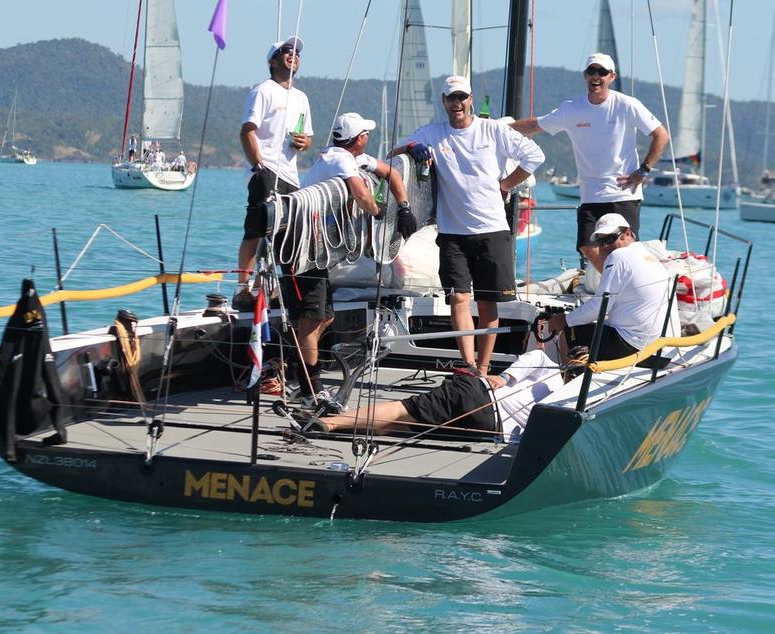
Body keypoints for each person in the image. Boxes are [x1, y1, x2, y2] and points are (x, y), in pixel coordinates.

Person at [392, 75, 545, 376]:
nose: (457, 103)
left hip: (492, 231)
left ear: (471, 99)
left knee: (488, 304)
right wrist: (412, 146)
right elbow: (392, 151)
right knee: (458, 298)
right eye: (451, 98)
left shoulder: (493, 130)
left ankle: (484, 369)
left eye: (462, 97)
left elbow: (534, 155)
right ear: (444, 101)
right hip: (452, 234)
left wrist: (506, 185)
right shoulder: (434, 133)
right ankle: (468, 365)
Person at [292, 112, 418, 408]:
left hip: (318, 250)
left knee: (325, 317)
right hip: (302, 249)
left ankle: (301, 373)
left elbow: (393, 174)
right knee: (312, 322)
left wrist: (403, 208)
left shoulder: (351, 157)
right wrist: (378, 212)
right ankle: (311, 390)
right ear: (358, 138)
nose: (368, 138)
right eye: (366, 134)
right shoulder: (339, 160)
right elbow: (362, 195)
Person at [511, 53, 669, 272]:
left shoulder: (627, 105)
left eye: (602, 72)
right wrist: (496, 129)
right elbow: (535, 126)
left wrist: (643, 170)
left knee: (624, 248)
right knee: (587, 246)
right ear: (585, 75)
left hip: (624, 192)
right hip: (590, 193)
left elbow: (661, 135)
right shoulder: (572, 109)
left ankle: (625, 289)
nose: (596, 76)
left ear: (611, 77)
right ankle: (611, 284)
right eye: (592, 71)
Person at [303, 348, 570, 441]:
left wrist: (503, 378)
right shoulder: (567, 404)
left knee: (402, 409)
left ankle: (330, 423)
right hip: (487, 429)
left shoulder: (555, 374)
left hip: (479, 397)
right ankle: (337, 427)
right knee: (404, 424)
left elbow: (537, 356)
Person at [233, 35, 313, 312]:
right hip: (266, 171)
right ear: (273, 60)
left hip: (291, 176)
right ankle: (242, 289)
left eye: (297, 52)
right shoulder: (263, 91)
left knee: (283, 236)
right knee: (256, 230)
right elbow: (247, 131)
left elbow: (307, 138)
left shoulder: (301, 98)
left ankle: (263, 289)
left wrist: (304, 142)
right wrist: (259, 168)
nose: (293, 55)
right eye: (286, 51)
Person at [547, 213, 678, 364]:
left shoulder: (619, 256)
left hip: (638, 349)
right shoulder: (646, 255)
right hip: (664, 349)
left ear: (627, 234)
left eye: (610, 239)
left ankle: (570, 379)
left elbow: (600, 306)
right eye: (600, 241)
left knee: (569, 330)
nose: (605, 246)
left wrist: (564, 320)